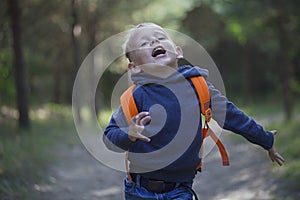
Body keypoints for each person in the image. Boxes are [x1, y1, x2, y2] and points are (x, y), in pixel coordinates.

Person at [103, 22, 285, 200]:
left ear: (178, 51)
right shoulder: (135, 97)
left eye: (160, 37)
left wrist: (265, 138)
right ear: (134, 67)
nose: (153, 42)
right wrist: (130, 135)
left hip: (180, 190)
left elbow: (232, 115)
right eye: (144, 43)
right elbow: (109, 136)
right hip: (140, 190)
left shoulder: (198, 87)